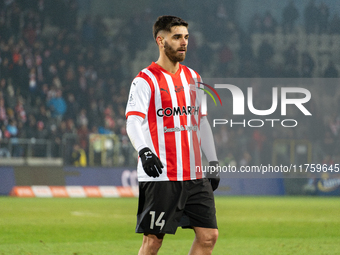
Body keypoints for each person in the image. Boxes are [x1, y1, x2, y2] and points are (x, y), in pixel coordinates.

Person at [125, 15, 220, 255]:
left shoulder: (194, 78)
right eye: (177, 37)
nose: (184, 42)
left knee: (209, 236)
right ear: (160, 40)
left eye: (186, 37)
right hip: (161, 174)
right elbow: (133, 121)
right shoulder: (145, 80)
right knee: (153, 241)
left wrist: (214, 160)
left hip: (195, 174)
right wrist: (145, 152)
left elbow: (202, 122)